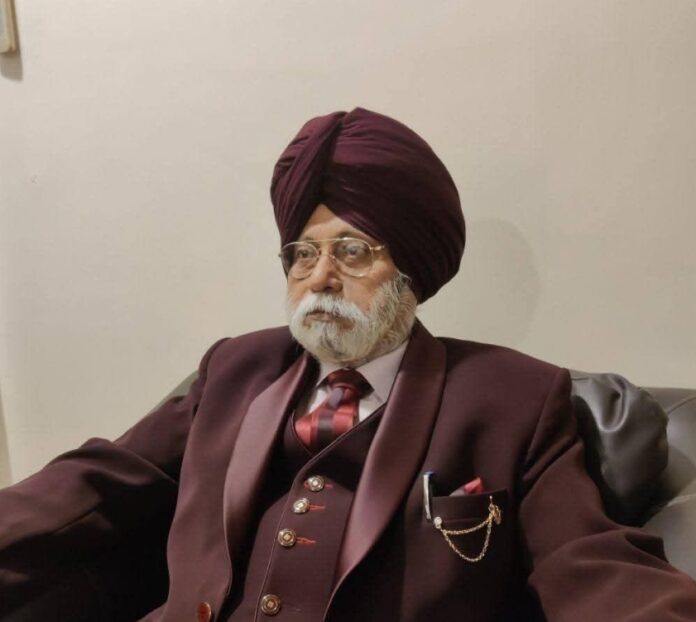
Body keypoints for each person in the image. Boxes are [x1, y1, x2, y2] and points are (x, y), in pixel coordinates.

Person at [1, 107, 695, 622]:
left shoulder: (514, 397)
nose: (320, 277)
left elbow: (587, 560)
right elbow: (98, 481)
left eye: (353, 251)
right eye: (303, 254)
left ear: (413, 271)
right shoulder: (237, 368)